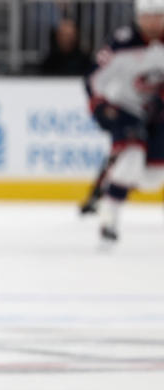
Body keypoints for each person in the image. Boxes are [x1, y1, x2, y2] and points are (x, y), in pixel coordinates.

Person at [85, 0, 164, 242]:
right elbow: (94, 76)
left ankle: (111, 178)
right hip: (126, 108)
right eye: (147, 16)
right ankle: (109, 217)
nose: (153, 22)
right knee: (132, 157)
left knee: (152, 179)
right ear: (138, 17)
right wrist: (99, 106)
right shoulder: (121, 42)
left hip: (160, 113)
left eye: (158, 16)